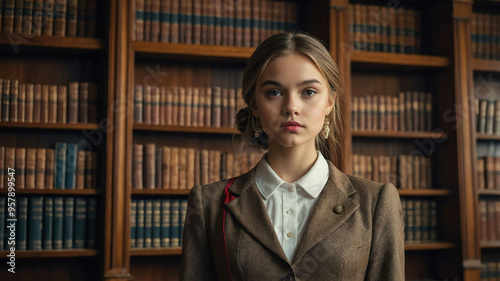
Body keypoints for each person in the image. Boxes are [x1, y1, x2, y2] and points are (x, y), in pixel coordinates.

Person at [180, 32, 404, 281]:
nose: (291, 107)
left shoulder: (376, 203)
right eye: (274, 92)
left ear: (330, 102)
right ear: (255, 104)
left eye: (308, 91)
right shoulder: (208, 203)